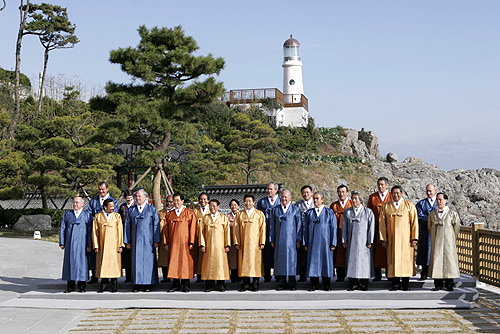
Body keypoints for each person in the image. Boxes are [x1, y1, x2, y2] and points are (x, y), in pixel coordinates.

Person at [379, 186, 418, 291]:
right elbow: (382, 223)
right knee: (393, 261)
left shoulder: (409, 205)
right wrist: (383, 239)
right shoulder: (386, 206)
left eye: (398, 193)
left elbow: (414, 223)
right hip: (392, 239)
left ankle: (405, 285)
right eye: (394, 193)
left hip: (406, 240)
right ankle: (395, 284)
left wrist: (414, 238)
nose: (396, 195)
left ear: (401, 193)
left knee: (406, 261)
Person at [124, 189, 161, 292]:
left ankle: (149, 284)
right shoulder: (131, 210)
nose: (138, 198)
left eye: (140, 196)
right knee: (136, 262)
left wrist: (156, 240)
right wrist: (127, 241)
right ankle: (136, 284)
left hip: (148, 241)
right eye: (137, 196)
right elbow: (127, 226)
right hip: (136, 241)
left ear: (145, 197)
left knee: (149, 262)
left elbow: (156, 225)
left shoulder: (152, 209)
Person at [303, 192, 337, 291]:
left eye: (317, 198)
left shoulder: (329, 212)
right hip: (313, 242)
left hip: (325, 243)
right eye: (314, 198)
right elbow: (305, 229)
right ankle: (314, 284)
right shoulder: (309, 213)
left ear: (322, 200)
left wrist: (333, 242)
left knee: (325, 262)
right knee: (313, 262)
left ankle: (327, 284)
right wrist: (305, 242)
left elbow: (333, 228)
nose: (315, 200)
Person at [269, 189, 302, 291]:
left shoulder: (295, 209)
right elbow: (272, 226)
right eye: (282, 197)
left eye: (286, 197)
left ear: (290, 198)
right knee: (281, 260)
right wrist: (272, 239)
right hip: (279, 239)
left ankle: (292, 282)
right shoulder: (275, 209)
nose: (284, 199)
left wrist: (298, 239)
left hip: (291, 240)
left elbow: (299, 225)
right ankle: (282, 282)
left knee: (292, 261)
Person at [87, 182, 119, 284]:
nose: (101, 191)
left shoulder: (114, 201)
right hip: (97, 230)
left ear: (107, 189)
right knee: (96, 254)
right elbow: (89, 214)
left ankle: (111, 277)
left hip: (111, 233)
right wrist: (97, 221)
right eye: (99, 189)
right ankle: (95, 275)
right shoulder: (93, 201)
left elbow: (115, 215)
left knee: (111, 256)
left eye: (103, 189)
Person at [342, 191, 375, 291]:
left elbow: (371, 227)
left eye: (356, 198)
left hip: (364, 242)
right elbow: (344, 227)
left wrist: (370, 240)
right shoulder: (347, 212)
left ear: (361, 200)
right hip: (352, 241)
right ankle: (353, 283)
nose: (354, 200)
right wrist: (344, 240)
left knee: (364, 262)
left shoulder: (368, 212)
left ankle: (364, 283)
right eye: (353, 198)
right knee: (352, 261)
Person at [164, 193, 197, 292]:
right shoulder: (169, 214)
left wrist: (191, 242)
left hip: (185, 243)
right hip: (173, 243)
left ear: (182, 201)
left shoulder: (189, 213)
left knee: (185, 263)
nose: (176, 202)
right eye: (174, 200)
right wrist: (166, 243)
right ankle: (175, 284)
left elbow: (193, 228)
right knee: (174, 263)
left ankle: (185, 284)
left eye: (178, 200)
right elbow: (166, 230)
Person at [428, 192, 461, 291]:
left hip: (448, 242)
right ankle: (437, 284)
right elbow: (429, 226)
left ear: (446, 200)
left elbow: (456, 227)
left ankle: (449, 284)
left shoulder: (452, 214)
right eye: (437, 200)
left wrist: (451, 238)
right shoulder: (432, 214)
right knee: (437, 261)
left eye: (440, 199)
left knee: (449, 262)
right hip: (436, 241)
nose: (438, 202)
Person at [59, 197, 92, 293]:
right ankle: (70, 286)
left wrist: (89, 244)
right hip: (70, 243)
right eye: (74, 202)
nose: (75, 204)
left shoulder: (87, 215)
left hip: (83, 243)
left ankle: (82, 286)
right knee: (70, 263)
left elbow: (90, 231)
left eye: (77, 202)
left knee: (82, 264)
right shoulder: (67, 214)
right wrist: (62, 242)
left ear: (82, 204)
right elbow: (63, 228)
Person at [234, 194, 266, 292]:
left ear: (253, 202)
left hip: (255, 244)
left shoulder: (259, 214)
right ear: (243, 202)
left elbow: (262, 229)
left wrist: (262, 242)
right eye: (246, 201)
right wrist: (237, 242)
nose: (248, 203)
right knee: (244, 263)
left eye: (250, 201)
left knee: (255, 263)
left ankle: (255, 283)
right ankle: (245, 283)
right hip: (243, 243)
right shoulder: (240, 215)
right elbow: (236, 229)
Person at [92, 198, 124, 293]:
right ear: (105, 207)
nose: (112, 208)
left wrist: (120, 245)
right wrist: (96, 245)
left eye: (113, 206)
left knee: (114, 265)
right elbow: (94, 232)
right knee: (103, 264)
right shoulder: (97, 217)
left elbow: (120, 231)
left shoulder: (117, 216)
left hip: (114, 245)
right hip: (103, 245)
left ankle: (114, 286)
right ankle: (103, 286)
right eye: (110, 207)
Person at [199, 199, 231, 292]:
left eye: (214, 206)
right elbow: (201, 232)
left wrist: (227, 244)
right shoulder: (204, 218)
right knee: (209, 265)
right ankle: (209, 285)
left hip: (220, 247)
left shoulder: (223, 218)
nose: (212, 208)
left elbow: (227, 232)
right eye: (211, 206)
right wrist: (202, 244)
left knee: (220, 265)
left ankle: (221, 284)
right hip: (208, 246)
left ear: (218, 207)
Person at [367, 177, 392, 281]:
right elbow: (368, 212)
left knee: (389, 251)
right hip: (375, 228)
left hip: (389, 228)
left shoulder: (391, 196)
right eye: (379, 185)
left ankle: (389, 273)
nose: (380, 187)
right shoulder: (373, 197)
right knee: (376, 251)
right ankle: (377, 275)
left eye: (382, 184)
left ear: (387, 185)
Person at [256, 182, 281, 282]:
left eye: (271, 189)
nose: (269, 191)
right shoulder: (262, 202)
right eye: (268, 189)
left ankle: (278, 275)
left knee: (278, 252)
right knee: (266, 253)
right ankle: (267, 275)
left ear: (276, 190)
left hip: (277, 230)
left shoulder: (280, 201)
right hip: (265, 231)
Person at [330, 184, 352, 282]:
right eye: (339, 192)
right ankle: (340, 275)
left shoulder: (351, 203)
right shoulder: (333, 205)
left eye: (343, 192)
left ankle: (351, 275)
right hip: (337, 232)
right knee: (338, 254)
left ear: (347, 193)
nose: (341, 194)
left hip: (349, 232)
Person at [415, 184, 438, 280]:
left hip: (437, 231)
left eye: (431, 191)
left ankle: (436, 274)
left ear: (435, 190)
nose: (429, 193)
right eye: (427, 191)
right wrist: (430, 219)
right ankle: (424, 273)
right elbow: (419, 216)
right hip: (425, 231)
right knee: (425, 252)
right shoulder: (421, 203)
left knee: (436, 252)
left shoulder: (440, 202)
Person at [295, 185, 314, 282]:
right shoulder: (298, 204)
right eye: (303, 192)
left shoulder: (315, 203)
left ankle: (313, 275)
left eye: (307, 192)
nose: (305, 194)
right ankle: (302, 275)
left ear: (311, 192)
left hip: (313, 232)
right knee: (302, 254)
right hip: (301, 231)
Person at [193, 192, 210, 283]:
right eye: (201, 199)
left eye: (204, 199)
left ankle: (207, 275)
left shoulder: (211, 210)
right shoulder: (195, 211)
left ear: (208, 200)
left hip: (209, 236)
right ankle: (199, 275)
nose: (203, 201)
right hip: (197, 236)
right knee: (199, 256)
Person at [118, 189, 134, 283]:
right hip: (124, 232)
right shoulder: (122, 207)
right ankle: (128, 277)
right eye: (127, 199)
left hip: (134, 232)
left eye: (131, 198)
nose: (129, 200)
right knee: (127, 256)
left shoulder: (135, 206)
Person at [158, 194, 174, 283]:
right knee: (164, 258)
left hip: (173, 238)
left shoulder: (176, 212)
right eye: (168, 201)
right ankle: (165, 277)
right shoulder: (161, 212)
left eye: (171, 201)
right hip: (162, 238)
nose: (169, 203)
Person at [226, 199, 241, 283]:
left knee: (240, 258)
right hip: (231, 239)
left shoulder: (241, 215)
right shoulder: (227, 217)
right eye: (232, 205)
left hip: (240, 240)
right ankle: (233, 276)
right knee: (232, 259)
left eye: (235, 205)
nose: (233, 206)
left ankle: (240, 276)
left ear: (238, 206)